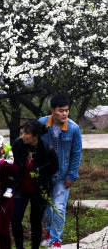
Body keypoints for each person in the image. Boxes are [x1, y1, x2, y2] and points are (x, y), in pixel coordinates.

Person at [39, 94, 82, 248]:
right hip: (44, 175)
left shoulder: (74, 128)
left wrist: (71, 175)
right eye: (61, 110)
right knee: (45, 208)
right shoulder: (42, 124)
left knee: (58, 207)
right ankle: (49, 232)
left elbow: (77, 153)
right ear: (52, 111)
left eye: (67, 111)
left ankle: (56, 240)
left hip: (63, 176)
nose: (64, 114)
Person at [11, 120, 58, 249]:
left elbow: (54, 168)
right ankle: (19, 247)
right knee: (15, 220)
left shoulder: (47, 150)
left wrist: (42, 178)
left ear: (35, 135)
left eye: (26, 133)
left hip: (39, 190)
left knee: (35, 221)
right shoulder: (18, 145)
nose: (22, 136)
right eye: (22, 132)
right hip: (21, 188)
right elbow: (16, 164)